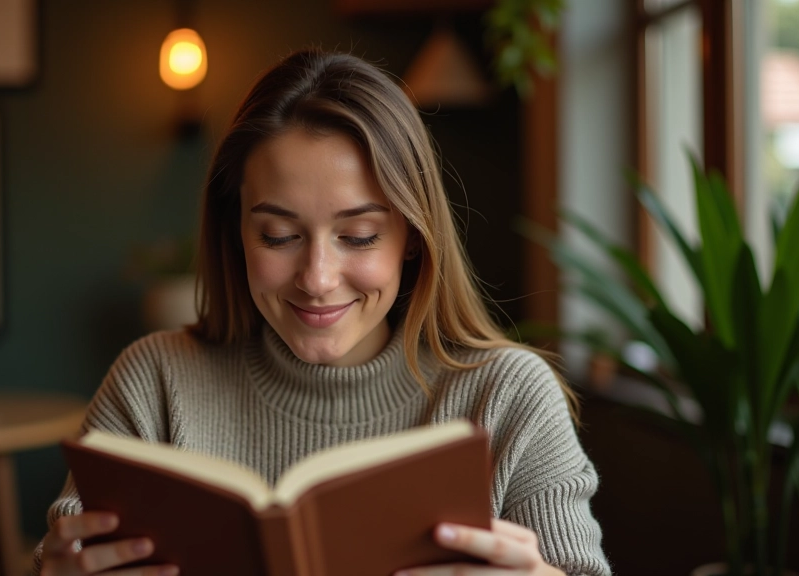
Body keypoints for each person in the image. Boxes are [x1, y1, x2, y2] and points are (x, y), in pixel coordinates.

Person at [35, 49, 610, 576]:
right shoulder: (155, 382)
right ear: (236, 230)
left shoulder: (508, 397)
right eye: (278, 235)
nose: (316, 279)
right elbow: (65, 552)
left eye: (358, 236)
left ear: (412, 235)